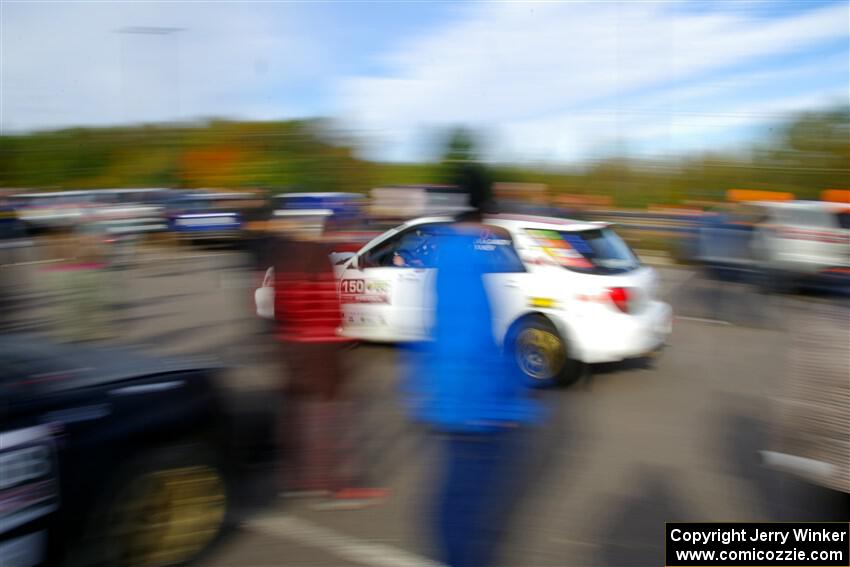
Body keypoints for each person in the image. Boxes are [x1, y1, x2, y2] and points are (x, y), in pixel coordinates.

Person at [405, 165, 540, 566]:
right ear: (484, 208)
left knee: (454, 497)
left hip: (447, 397)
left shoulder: (442, 252)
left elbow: (429, 333)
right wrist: (510, 402)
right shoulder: (481, 260)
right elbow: (480, 342)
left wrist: (421, 388)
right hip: (476, 406)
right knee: (466, 501)